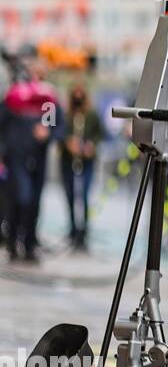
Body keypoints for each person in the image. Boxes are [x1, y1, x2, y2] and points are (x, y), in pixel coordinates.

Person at [2, 63, 61, 264]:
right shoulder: (14, 97)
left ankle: (28, 244)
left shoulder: (47, 100)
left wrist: (48, 133)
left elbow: (55, 125)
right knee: (20, 198)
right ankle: (12, 241)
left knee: (34, 202)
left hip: (38, 158)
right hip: (16, 157)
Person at [58, 83, 103, 251]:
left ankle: (84, 232)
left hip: (87, 162)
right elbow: (59, 133)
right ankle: (72, 230)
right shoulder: (65, 115)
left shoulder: (92, 114)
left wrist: (91, 145)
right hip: (68, 161)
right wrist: (68, 143)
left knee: (83, 195)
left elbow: (100, 134)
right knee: (70, 195)